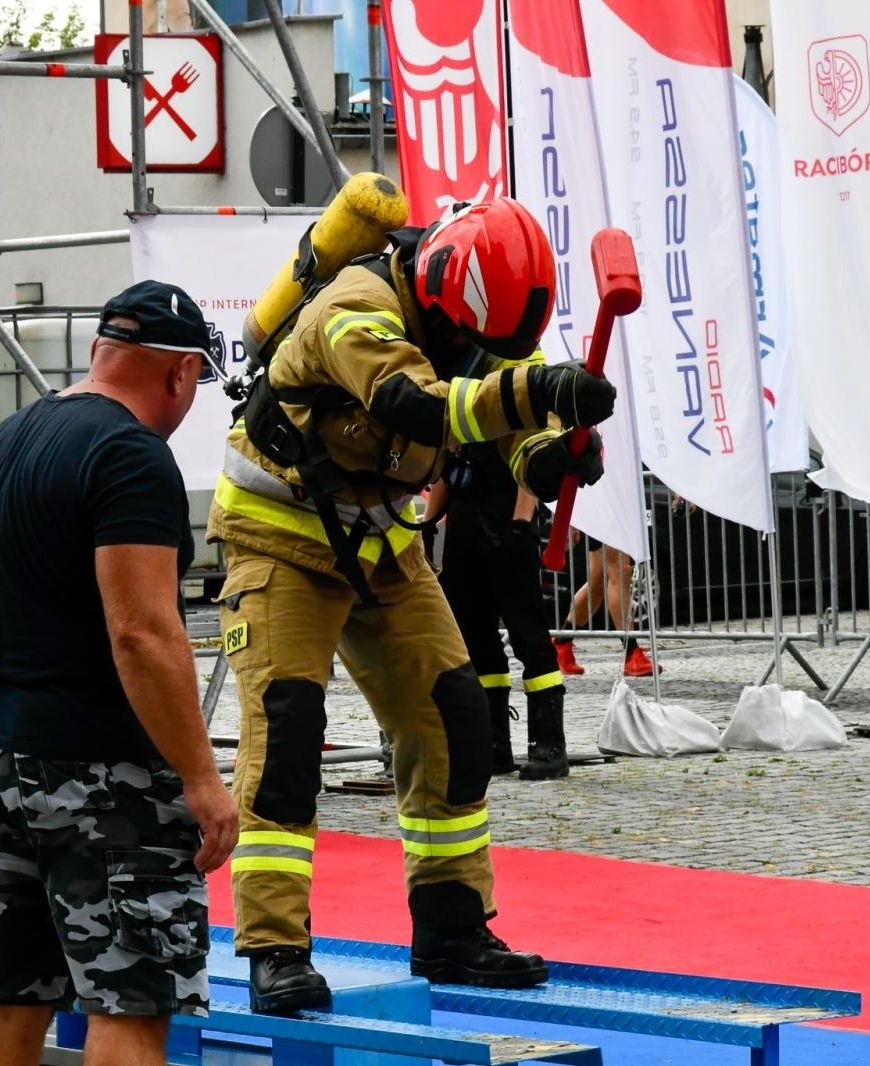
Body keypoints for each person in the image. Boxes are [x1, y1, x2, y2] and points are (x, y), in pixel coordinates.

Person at [208, 197, 615, 1013]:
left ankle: (452, 929)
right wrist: (543, 394)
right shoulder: (355, 309)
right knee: (287, 737)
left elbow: (505, 417)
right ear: (442, 295)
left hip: (378, 542)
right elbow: (418, 407)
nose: (476, 353)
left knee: (453, 721)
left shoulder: (471, 325)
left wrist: (555, 451)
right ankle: (275, 948)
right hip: (280, 537)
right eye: (471, 340)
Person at [0, 280, 238, 1066]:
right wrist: (202, 779)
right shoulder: (130, 455)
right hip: (98, 773)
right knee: (132, 1003)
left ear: (98, 352)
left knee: (14, 996)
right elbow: (143, 633)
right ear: (180, 373)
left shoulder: (8, 440)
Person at [431, 442, 569, 781]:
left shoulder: (508, 393)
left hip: (508, 517)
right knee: (474, 639)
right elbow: (443, 465)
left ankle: (548, 745)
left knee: (528, 635)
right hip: (464, 517)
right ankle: (492, 745)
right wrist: (427, 524)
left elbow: (530, 460)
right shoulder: (451, 390)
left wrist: (521, 522)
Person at [551, 538, 659, 678]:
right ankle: (631, 652)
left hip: (606, 518)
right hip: (609, 518)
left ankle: (562, 644)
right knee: (619, 572)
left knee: (598, 581)